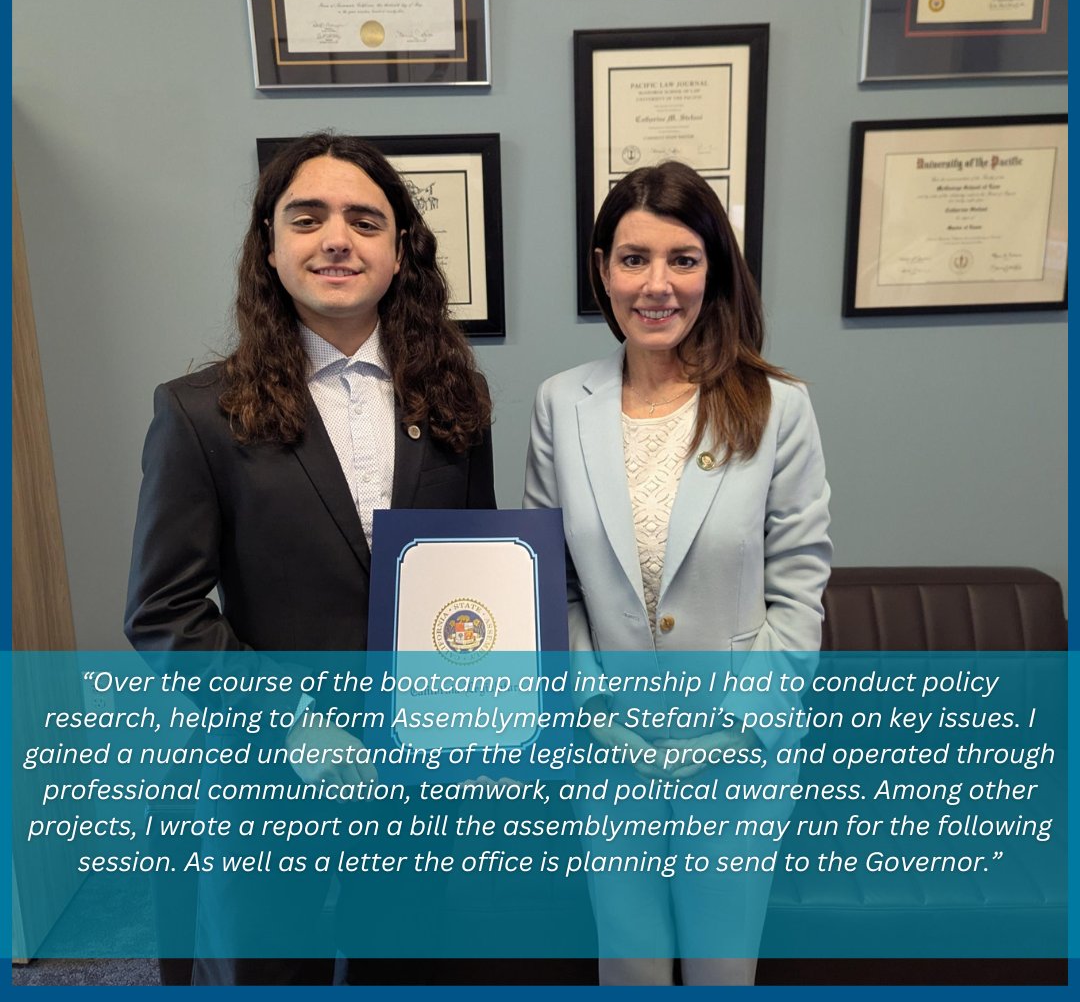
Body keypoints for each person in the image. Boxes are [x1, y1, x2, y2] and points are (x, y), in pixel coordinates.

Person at [124, 131, 496, 986]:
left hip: (415, 776)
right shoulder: (198, 414)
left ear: (400, 252)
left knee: (406, 969)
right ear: (270, 246)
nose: (338, 238)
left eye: (366, 220)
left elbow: (471, 576)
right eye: (309, 217)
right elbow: (164, 613)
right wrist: (296, 721)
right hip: (267, 776)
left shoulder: (452, 398)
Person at [523, 160, 831, 986]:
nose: (656, 285)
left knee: (722, 966)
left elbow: (801, 588)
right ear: (602, 272)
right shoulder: (561, 403)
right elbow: (551, 587)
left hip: (739, 750)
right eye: (633, 259)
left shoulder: (777, 406)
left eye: (682, 259)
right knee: (627, 961)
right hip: (607, 745)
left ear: (714, 270)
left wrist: (737, 728)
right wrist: (593, 711)